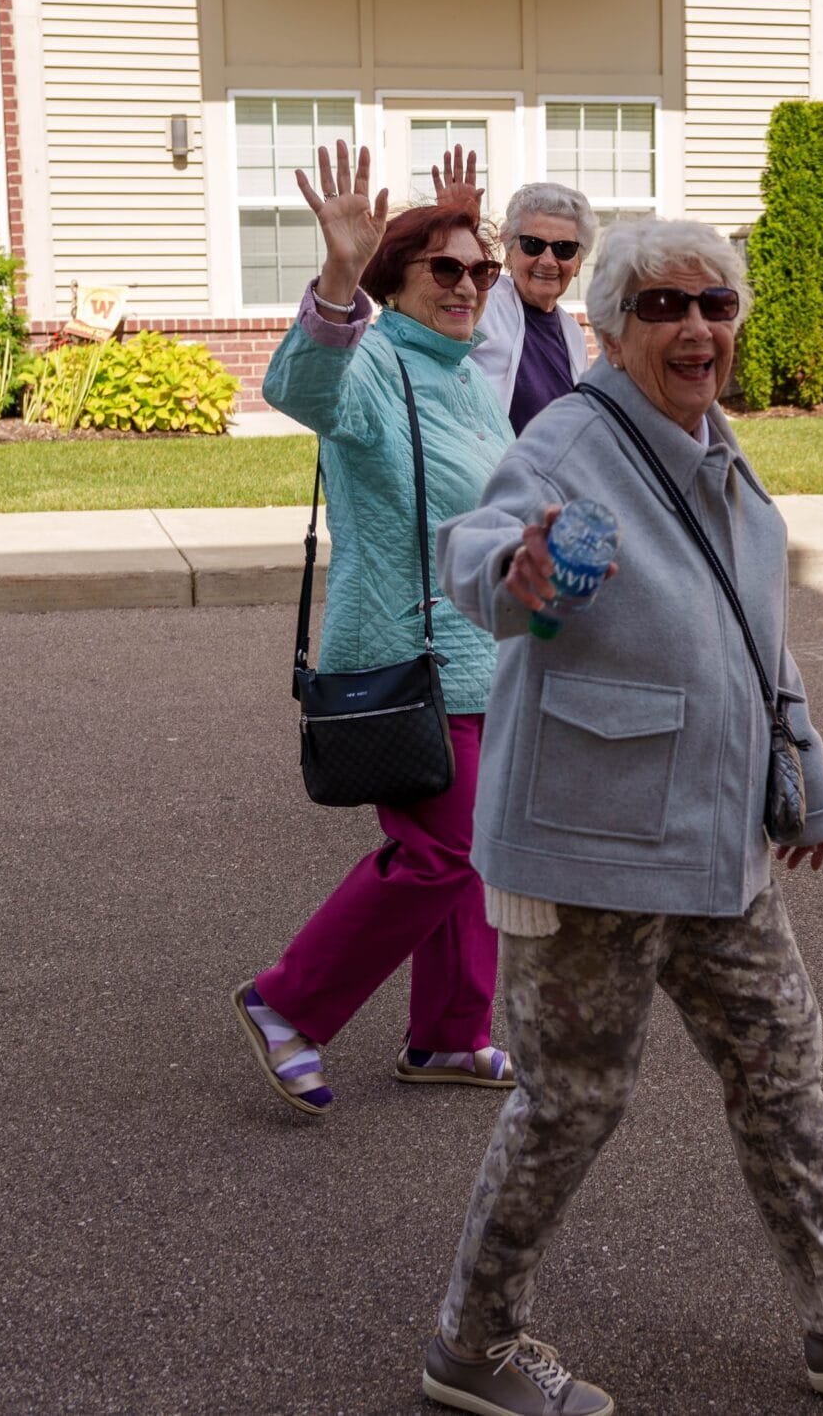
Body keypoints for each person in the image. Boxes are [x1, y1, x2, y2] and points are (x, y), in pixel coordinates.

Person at [420, 217, 823, 1414]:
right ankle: (470, 1348)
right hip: (586, 851)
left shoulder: (716, 451)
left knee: (781, 1068)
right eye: (664, 307)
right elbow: (480, 539)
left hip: (713, 848)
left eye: (714, 307)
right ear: (615, 327)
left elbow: (754, 640)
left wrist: (809, 777)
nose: (695, 329)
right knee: (571, 1103)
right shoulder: (570, 438)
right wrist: (510, 574)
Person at [229, 140, 517, 1116]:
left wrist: (459, 225)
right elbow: (298, 390)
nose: (470, 284)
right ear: (397, 280)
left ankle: (449, 1035)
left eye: (483, 269)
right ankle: (286, 1003)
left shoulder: (466, 371)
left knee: (474, 855)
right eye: (446, 268)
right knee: (448, 853)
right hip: (402, 651)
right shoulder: (374, 360)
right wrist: (339, 275)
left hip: (485, 652)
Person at [468, 176, 594, 433]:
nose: (548, 261)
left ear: (579, 262)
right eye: (533, 245)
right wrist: (453, 230)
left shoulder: (573, 334)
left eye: (564, 248)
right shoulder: (482, 300)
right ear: (509, 251)